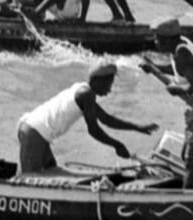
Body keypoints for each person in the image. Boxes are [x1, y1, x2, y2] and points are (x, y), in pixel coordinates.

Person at [14, 60, 157, 174]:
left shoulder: (83, 90)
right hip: (35, 132)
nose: (109, 90)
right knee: (30, 180)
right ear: (99, 81)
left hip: (38, 132)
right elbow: (93, 130)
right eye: (109, 84)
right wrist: (117, 145)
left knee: (51, 171)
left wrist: (137, 127)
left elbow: (106, 119)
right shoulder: (86, 94)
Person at [142, 20, 193, 188]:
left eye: (158, 39)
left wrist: (178, 90)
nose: (155, 43)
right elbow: (179, 69)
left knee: (190, 158)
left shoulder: (181, 54)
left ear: (168, 39)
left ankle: (189, 195)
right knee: (188, 155)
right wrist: (155, 68)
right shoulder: (180, 45)